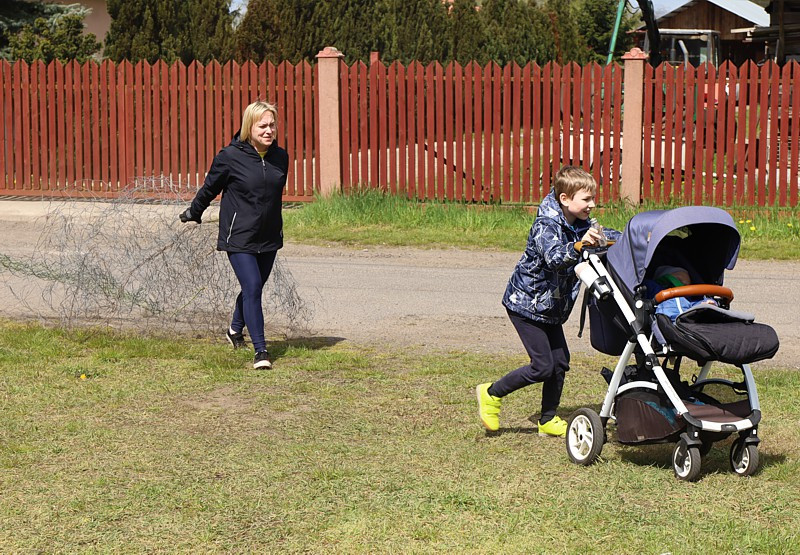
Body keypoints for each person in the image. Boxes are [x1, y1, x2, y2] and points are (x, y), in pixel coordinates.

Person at [476, 166, 620, 436]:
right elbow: (554, 257)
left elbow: (608, 235)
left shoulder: (582, 223)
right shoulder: (546, 225)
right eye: (586, 199)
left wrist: (635, 238)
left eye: (593, 198)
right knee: (543, 366)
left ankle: (547, 419)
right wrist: (579, 246)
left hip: (551, 307)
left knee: (560, 362)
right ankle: (491, 393)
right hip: (525, 304)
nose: (592, 204)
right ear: (565, 199)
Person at [179, 100, 289, 370]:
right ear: (249, 127)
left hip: (269, 235)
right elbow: (210, 188)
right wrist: (194, 212)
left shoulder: (280, 157)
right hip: (238, 235)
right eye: (262, 126)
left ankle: (234, 330)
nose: (269, 130)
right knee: (252, 286)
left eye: (272, 125)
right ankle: (261, 351)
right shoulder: (230, 156)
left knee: (254, 287)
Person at [649, 265, 718, 322]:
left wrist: (707, 303)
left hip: (685, 321)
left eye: (686, 284)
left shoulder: (687, 299)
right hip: (665, 318)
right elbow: (646, 286)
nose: (684, 283)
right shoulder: (657, 289)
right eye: (679, 279)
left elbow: (695, 304)